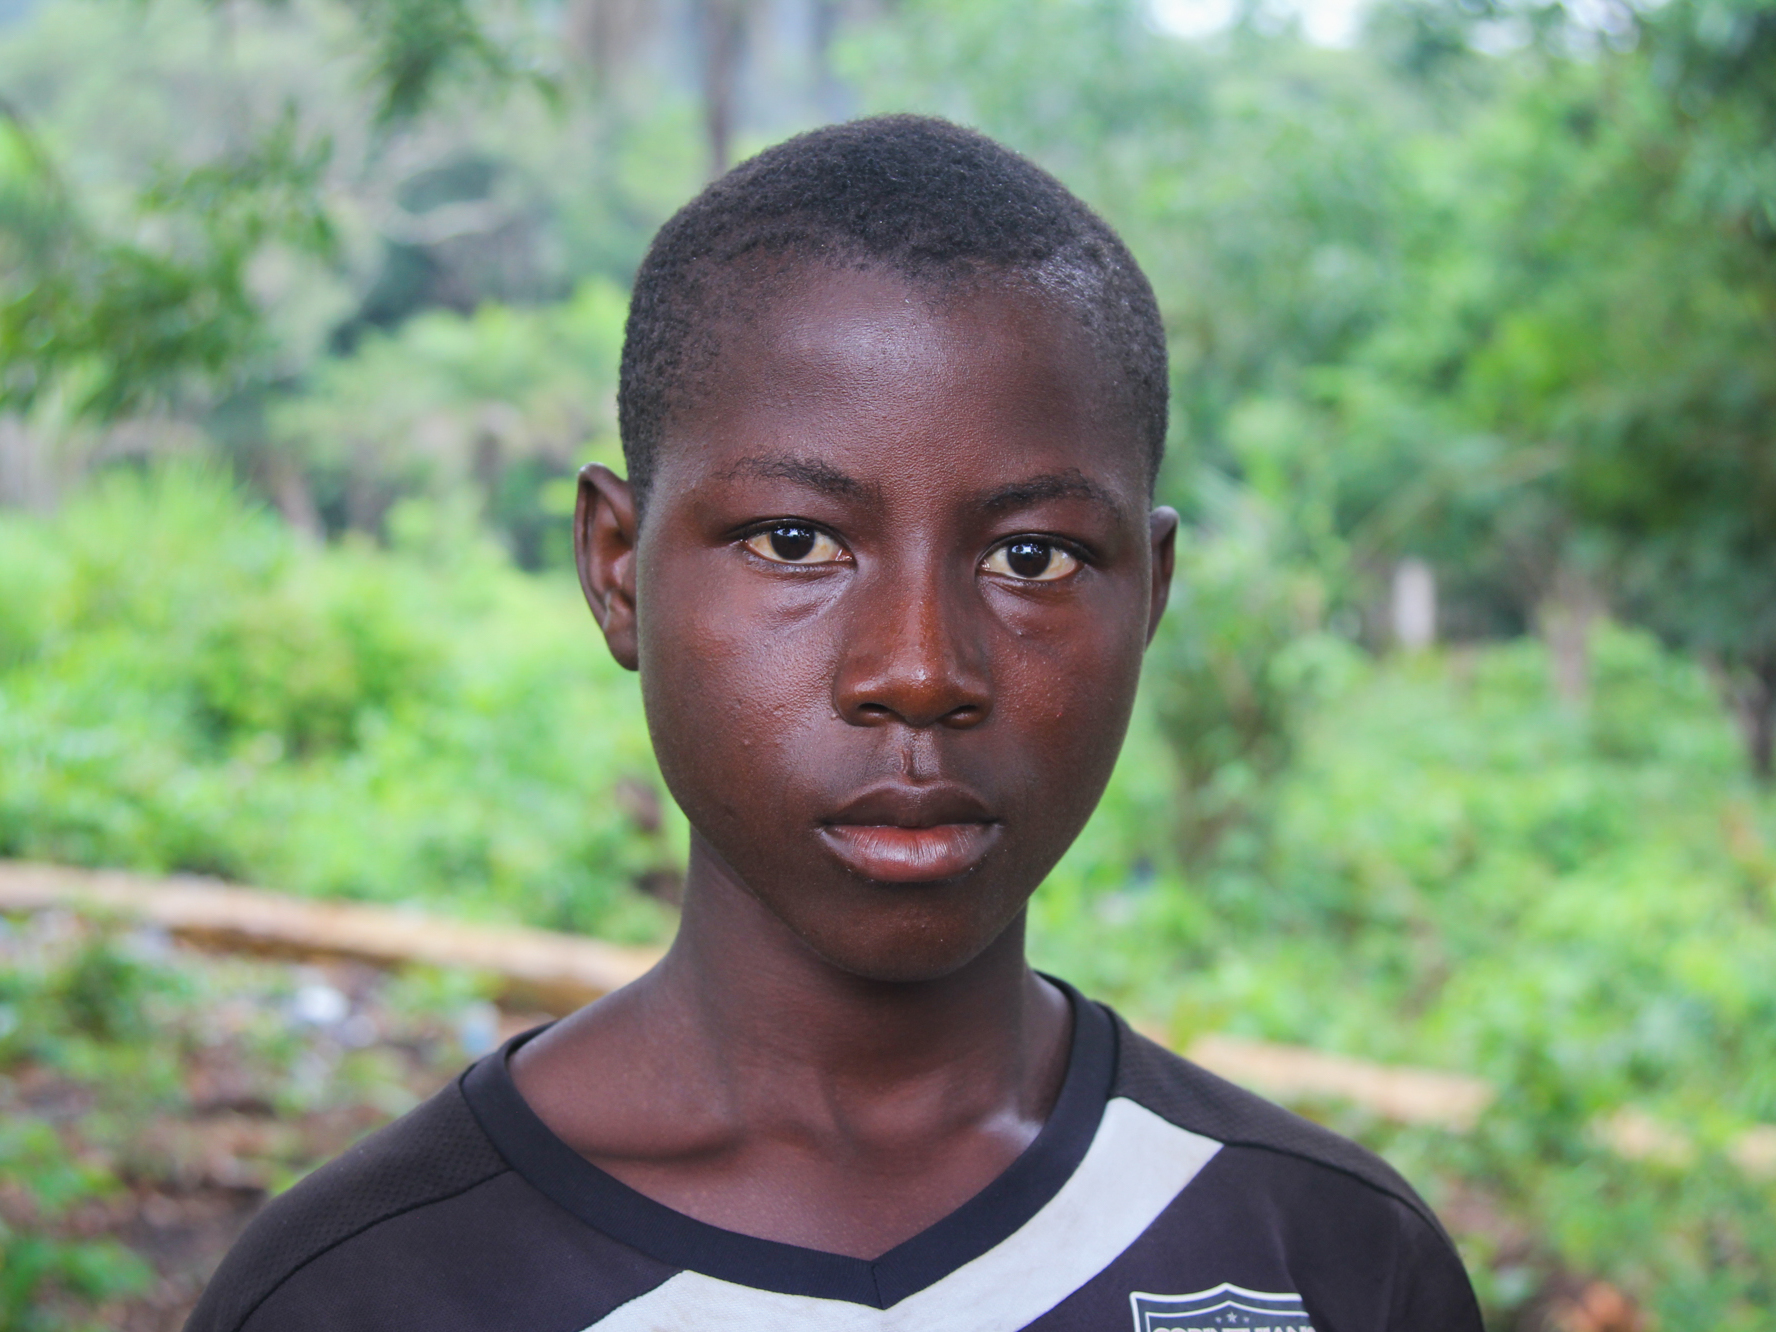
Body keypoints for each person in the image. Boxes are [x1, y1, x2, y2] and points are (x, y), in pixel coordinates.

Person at [185, 115, 1482, 1332]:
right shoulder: (369, 1290)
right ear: (618, 568)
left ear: (1150, 595)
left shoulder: (1325, 1260)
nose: (918, 671)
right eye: (794, 541)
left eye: (1032, 556)